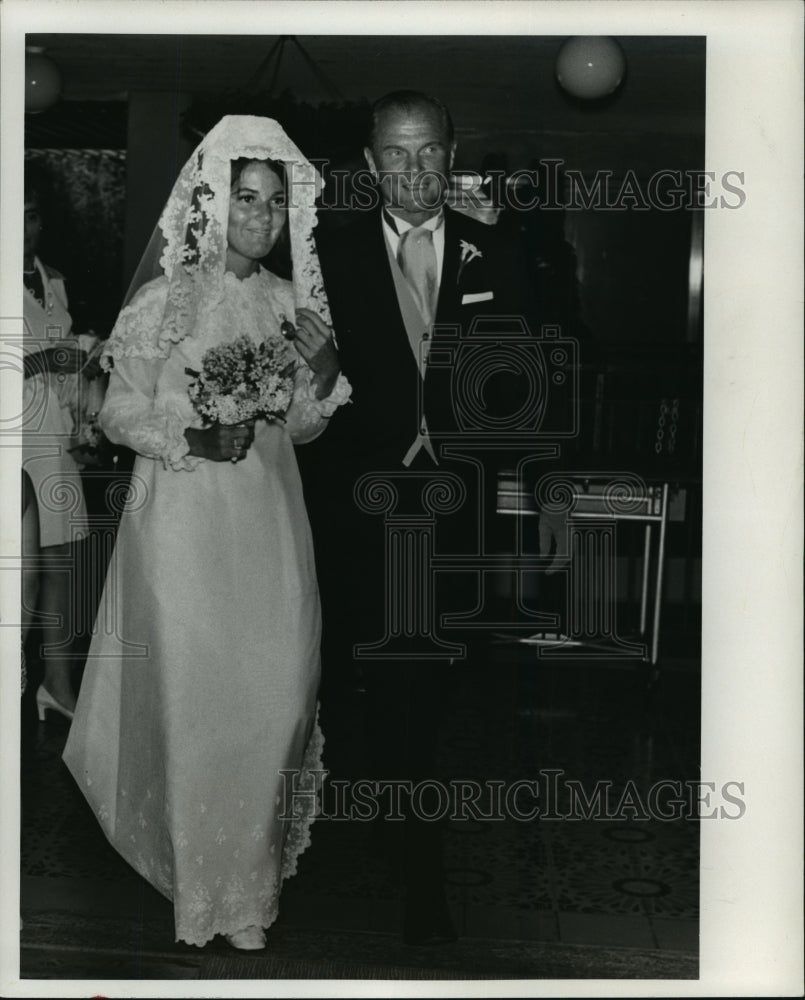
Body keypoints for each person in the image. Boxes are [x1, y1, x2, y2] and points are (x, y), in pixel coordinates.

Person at [63, 116, 351, 951]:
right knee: (198, 707)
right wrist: (188, 436)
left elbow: (303, 427)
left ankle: (250, 888)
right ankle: (202, 896)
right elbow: (116, 411)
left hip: (268, 526)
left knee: (276, 696)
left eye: (273, 203)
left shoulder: (287, 306)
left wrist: (324, 372)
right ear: (209, 203)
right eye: (245, 199)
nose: (260, 217)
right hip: (185, 526)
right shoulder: (166, 300)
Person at [300, 90, 536, 945]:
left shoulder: (497, 251)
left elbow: (529, 383)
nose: (412, 171)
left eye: (427, 151)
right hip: (352, 520)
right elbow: (303, 391)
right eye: (395, 155)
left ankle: (409, 858)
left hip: (452, 522)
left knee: (421, 698)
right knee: (362, 694)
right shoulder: (325, 253)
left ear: (450, 152)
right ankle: (380, 857)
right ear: (370, 166)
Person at [22, 168, 101, 719]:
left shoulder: (54, 279)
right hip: (13, 436)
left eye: (30, 215)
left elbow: (65, 354)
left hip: (56, 433)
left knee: (61, 566)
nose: (25, 226)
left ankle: (57, 685)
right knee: (18, 569)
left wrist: (83, 366)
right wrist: (46, 360)